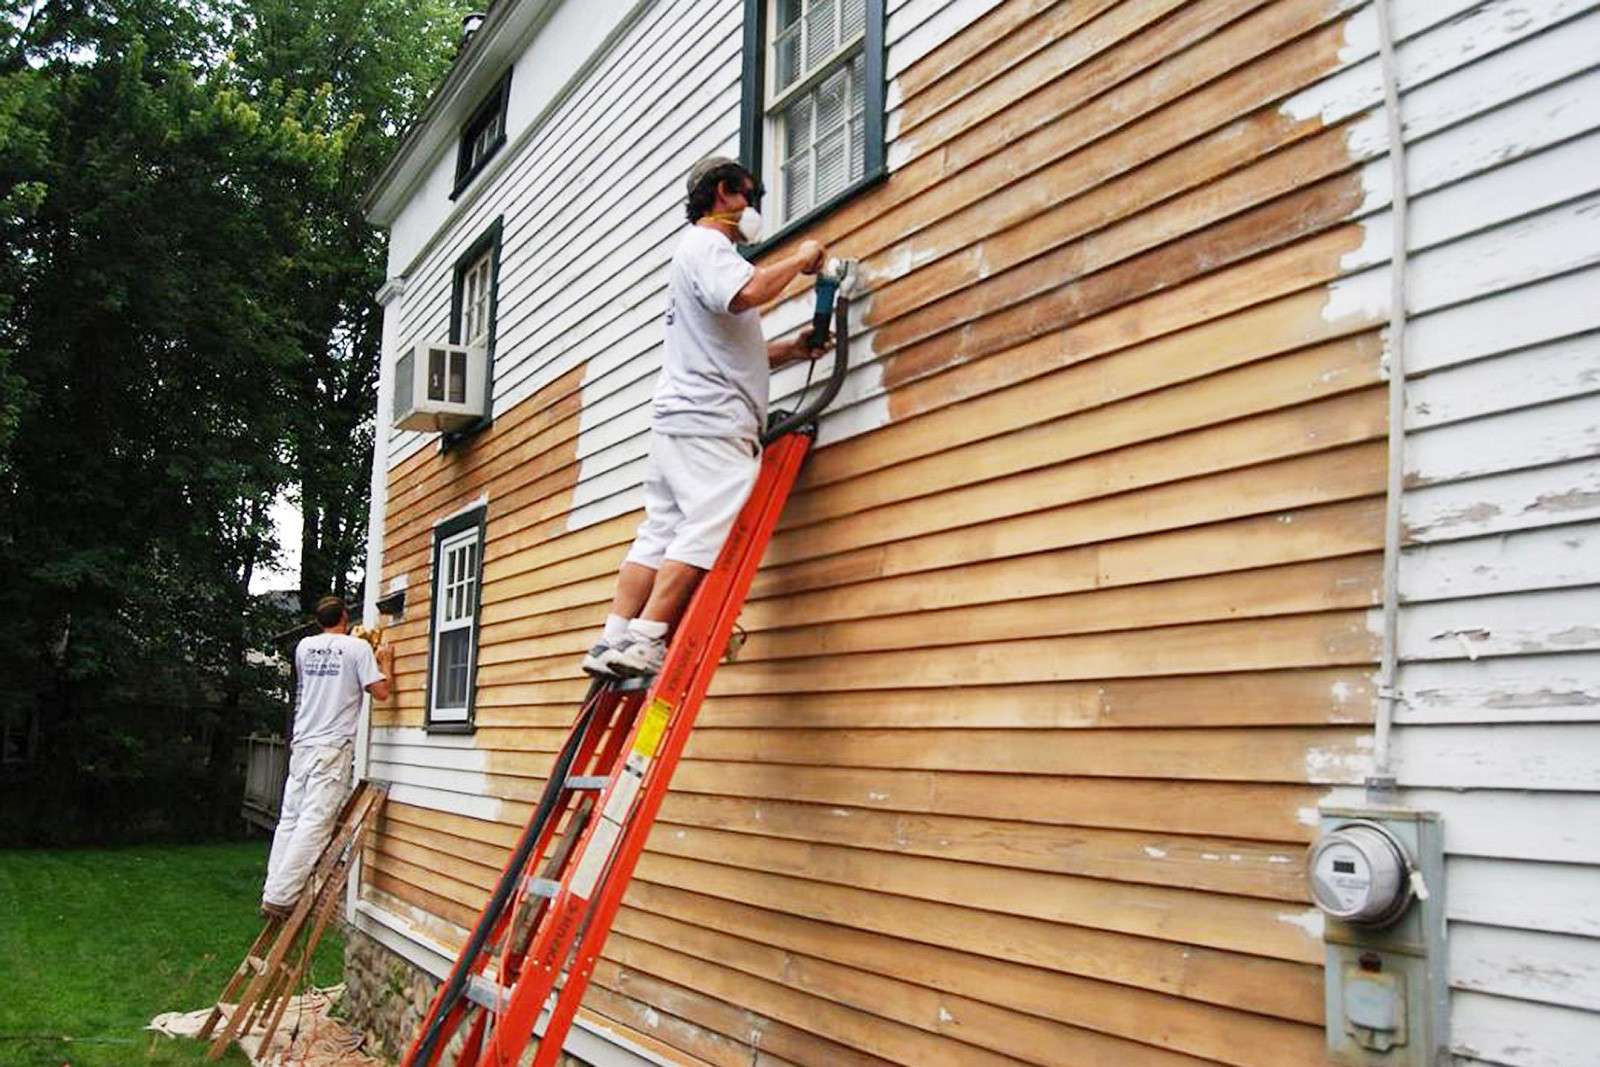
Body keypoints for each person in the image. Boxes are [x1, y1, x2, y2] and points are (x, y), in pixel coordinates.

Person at [582, 156, 828, 678]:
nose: (753, 208)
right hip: (710, 422)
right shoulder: (709, 245)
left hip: (677, 422)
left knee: (660, 530)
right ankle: (648, 639)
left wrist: (792, 349)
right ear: (724, 193)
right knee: (707, 525)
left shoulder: (690, 256)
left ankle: (613, 638)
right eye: (749, 196)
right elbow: (750, 292)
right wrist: (802, 257)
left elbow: (728, 351)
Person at [260, 595, 393, 919]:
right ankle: (282, 896)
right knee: (315, 821)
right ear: (345, 617)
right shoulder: (357, 650)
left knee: (290, 818)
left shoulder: (304, 648)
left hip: (303, 743)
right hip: (331, 747)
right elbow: (381, 692)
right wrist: (384, 661)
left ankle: (272, 889)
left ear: (319, 621)